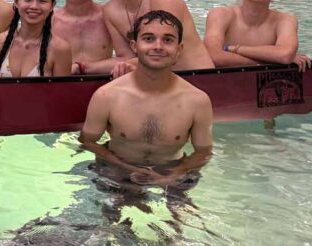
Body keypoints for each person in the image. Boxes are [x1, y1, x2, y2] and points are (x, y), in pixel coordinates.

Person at [80, 10, 213, 188]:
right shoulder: (107, 96)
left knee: (181, 215)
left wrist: (176, 173)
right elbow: (88, 141)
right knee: (110, 212)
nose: (158, 46)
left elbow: (203, 152)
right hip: (117, 170)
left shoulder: (197, 101)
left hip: (173, 171)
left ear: (179, 49)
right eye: (148, 39)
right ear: (134, 46)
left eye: (168, 40)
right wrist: (124, 167)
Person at [205, 0, 311, 72]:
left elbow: (285, 55)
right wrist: (272, 62)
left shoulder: (285, 20)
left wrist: (231, 49)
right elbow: (214, 56)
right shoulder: (221, 15)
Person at [0, 0, 72, 78]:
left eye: (42, 1)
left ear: (52, 5)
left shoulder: (59, 49)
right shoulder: (1, 41)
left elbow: (62, 93)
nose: (34, 6)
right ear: (16, 2)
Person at [52, 0, 118, 75]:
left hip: (102, 85)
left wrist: (81, 68)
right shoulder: (50, 21)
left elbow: (129, 58)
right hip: (62, 87)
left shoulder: (108, 16)